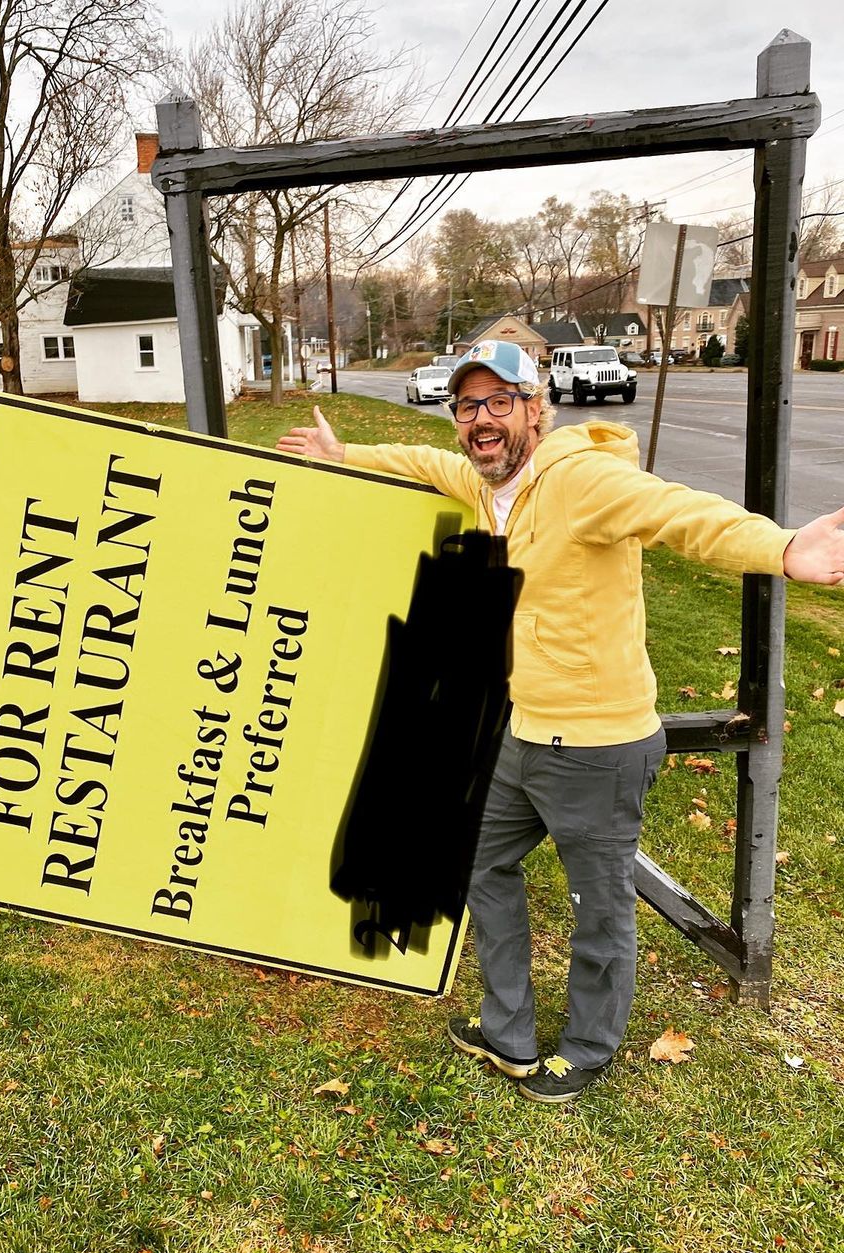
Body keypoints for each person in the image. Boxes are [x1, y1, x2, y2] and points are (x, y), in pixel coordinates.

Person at [275, 339, 844, 1104]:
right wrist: (346, 451)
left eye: (499, 402)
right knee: (476, 860)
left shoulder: (585, 480)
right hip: (522, 731)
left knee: (597, 907)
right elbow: (419, 462)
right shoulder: (482, 483)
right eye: (468, 405)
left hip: (599, 745)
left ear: (535, 411)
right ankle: (507, 1030)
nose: (482, 419)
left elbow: (679, 514)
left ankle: (586, 1048)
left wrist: (780, 548)